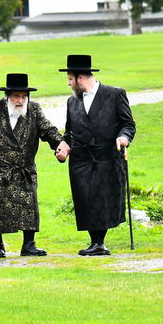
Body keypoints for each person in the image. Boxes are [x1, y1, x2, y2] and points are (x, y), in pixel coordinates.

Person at [0, 73, 65, 257]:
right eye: (16, 96)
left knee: (29, 206)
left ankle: (29, 245)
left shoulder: (34, 109)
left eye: (23, 96)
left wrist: (60, 143)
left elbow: (47, 129)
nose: (20, 101)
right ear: (7, 96)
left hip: (24, 168)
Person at [59, 54, 134, 257]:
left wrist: (124, 137)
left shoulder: (115, 94)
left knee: (103, 199)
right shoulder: (72, 102)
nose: (68, 83)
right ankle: (96, 243)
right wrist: (64, 146)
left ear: (81, 77)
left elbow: (128, 124)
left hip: (107, 157)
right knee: (85, 200)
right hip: (81, 160)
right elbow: (69, 132)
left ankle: (99, 243)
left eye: (70, 79)